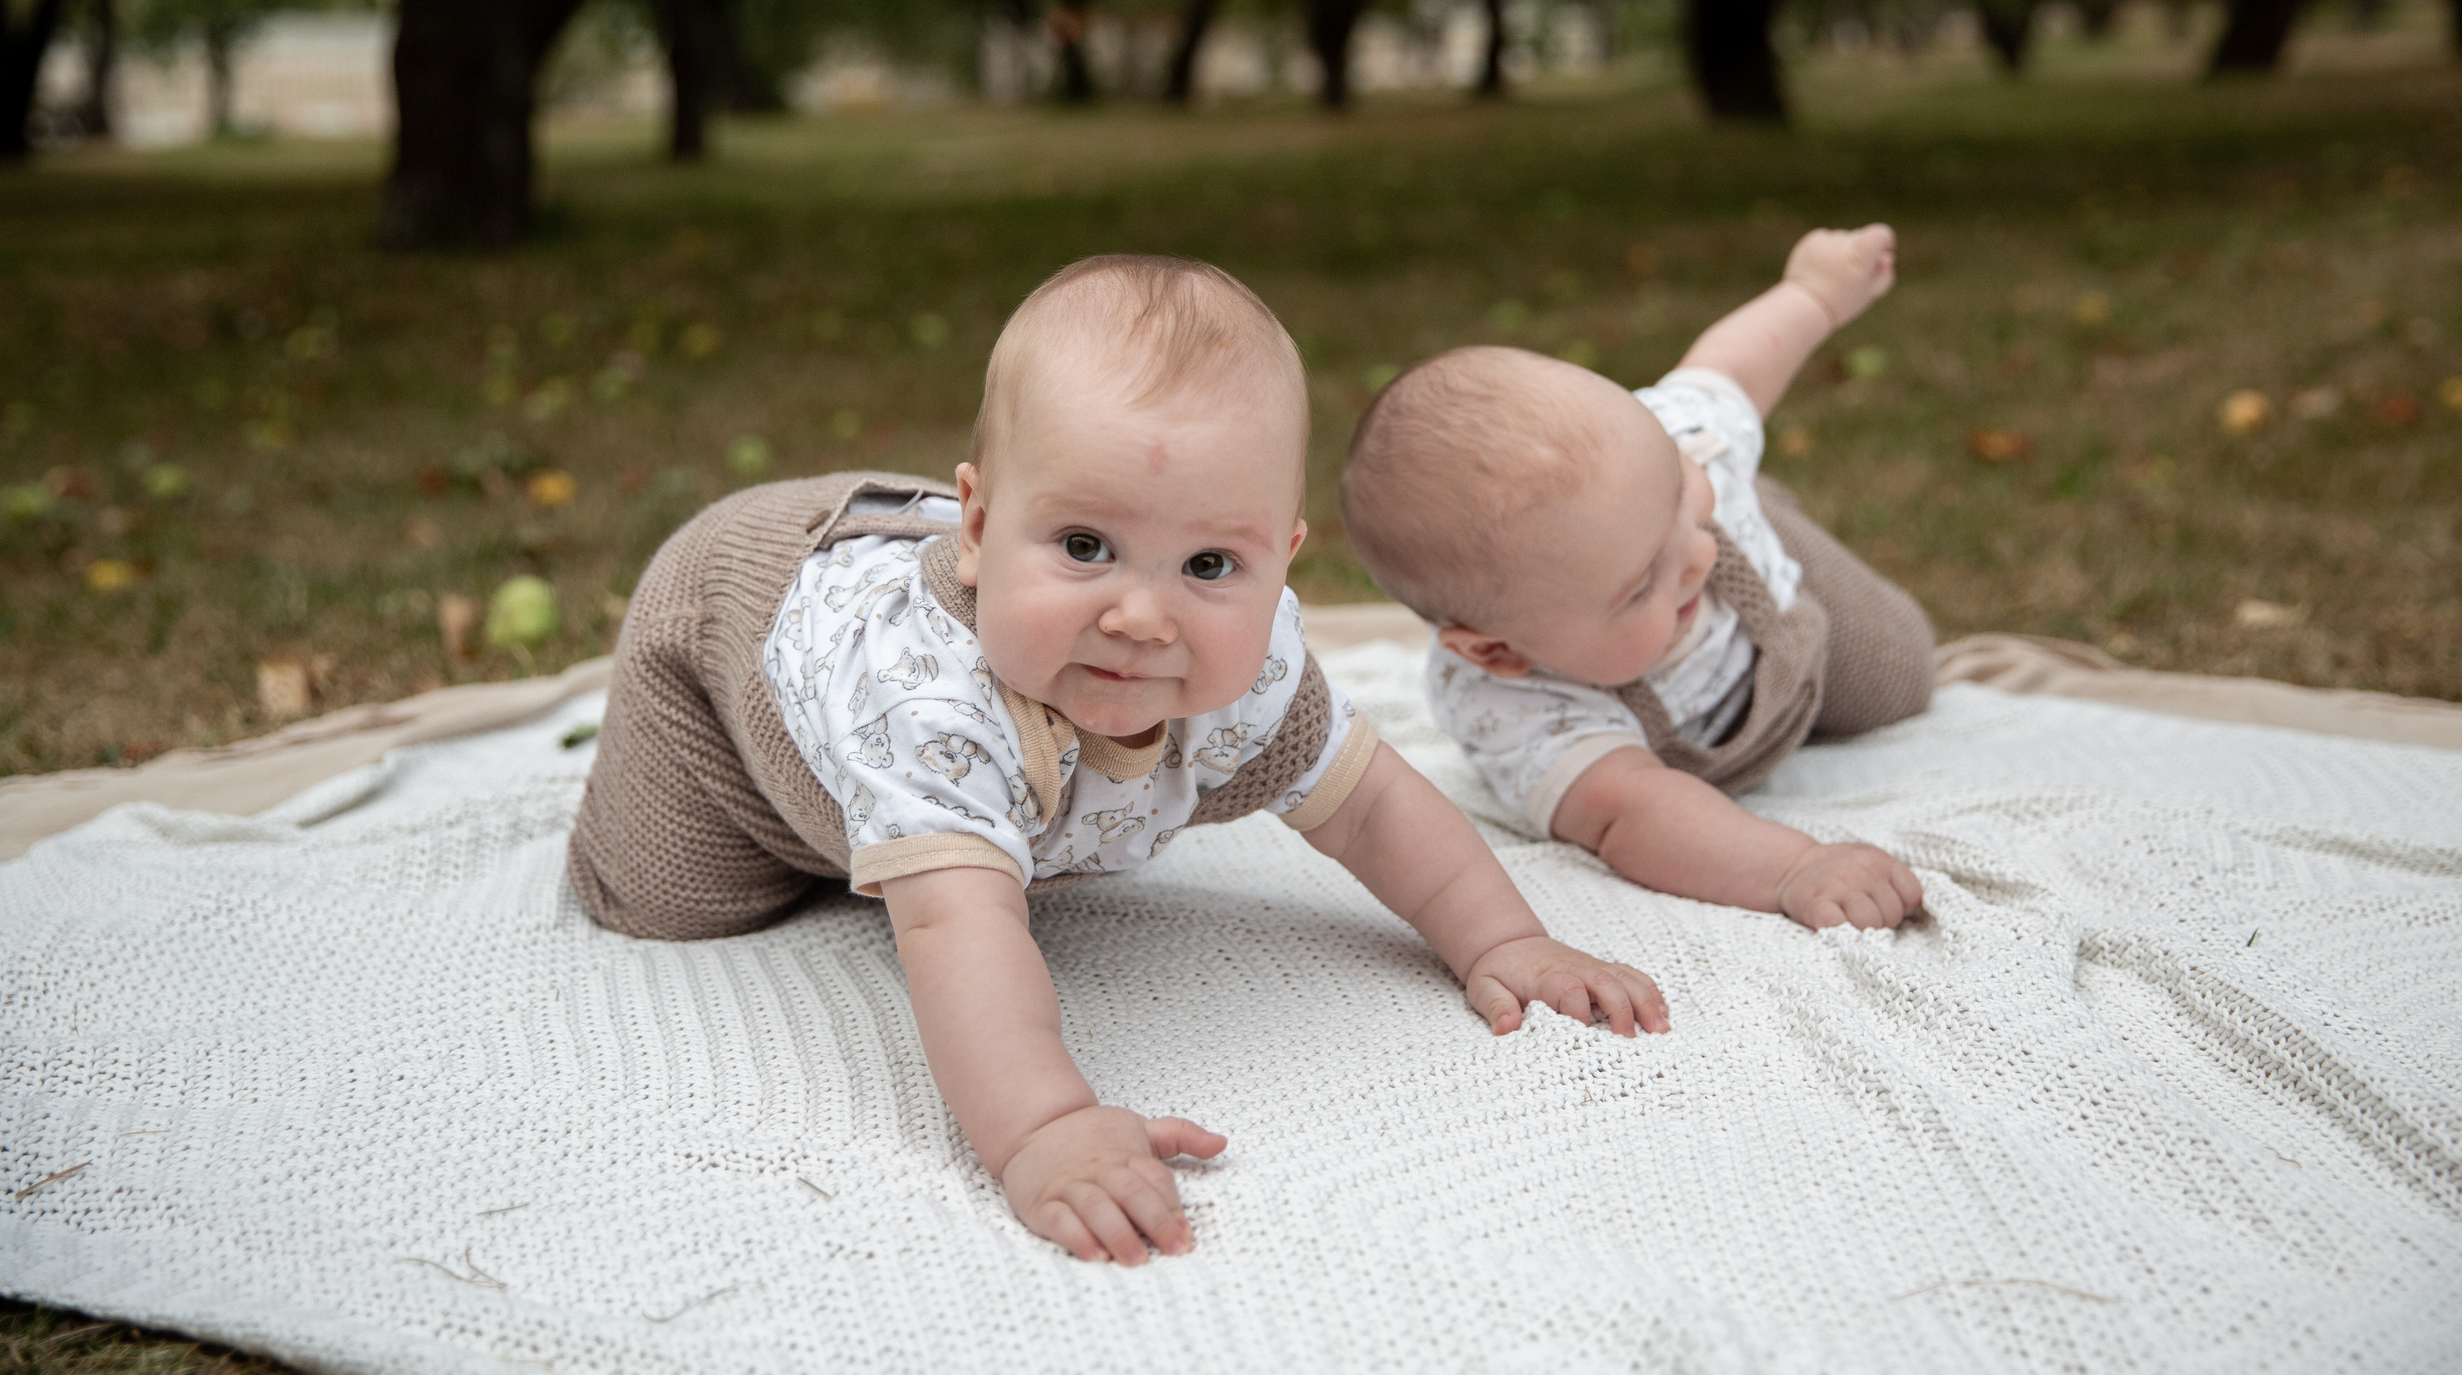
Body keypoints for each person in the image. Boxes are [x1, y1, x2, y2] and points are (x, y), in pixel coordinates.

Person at [567, 254, 1668, 1269]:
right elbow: (959, 930)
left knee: (983, 843)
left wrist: (1505, 938)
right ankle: (848, 822)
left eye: (1206, 563)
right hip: (722, 655)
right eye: (1084, 547)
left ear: (1279, 563)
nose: (1141, 617)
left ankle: (944, 805)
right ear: (980, 526)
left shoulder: (1252, 667)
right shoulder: (930, 702)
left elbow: (1374, 805)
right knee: (679, 898)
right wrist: (1043, 1127)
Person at [1338, 225, 1936, 931]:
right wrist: (1793, 867)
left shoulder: (1669, 450)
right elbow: (1640, 813)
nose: (1695, 558)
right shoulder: (1519, 710)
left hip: (1768, 582)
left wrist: (1814, 292)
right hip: (1703, 723)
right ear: (1500, 650)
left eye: (1676, 493)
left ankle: (1759, 506)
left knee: (1900, 676)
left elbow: (1730, 370)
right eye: (1642, 582)